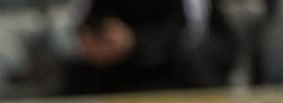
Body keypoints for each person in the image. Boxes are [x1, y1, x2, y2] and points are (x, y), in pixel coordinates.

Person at [61, 0, 237, 95]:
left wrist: (134, 42)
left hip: (172, 74)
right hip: (112, 74)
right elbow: (85, 24)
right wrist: (93, 41)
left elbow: (190, 34)